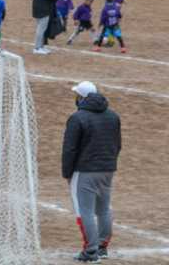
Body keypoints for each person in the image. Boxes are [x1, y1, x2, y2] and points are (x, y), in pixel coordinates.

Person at [62, 81, 121, 263]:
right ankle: (102, 247)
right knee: (103, 209)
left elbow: (70, 149)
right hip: (107, 169)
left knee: (84, 211)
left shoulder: (77, 118)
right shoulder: (113, 116)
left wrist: (67, 172)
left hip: (85, 171)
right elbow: (117, 144)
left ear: (81, 97)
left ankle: (91, 252)